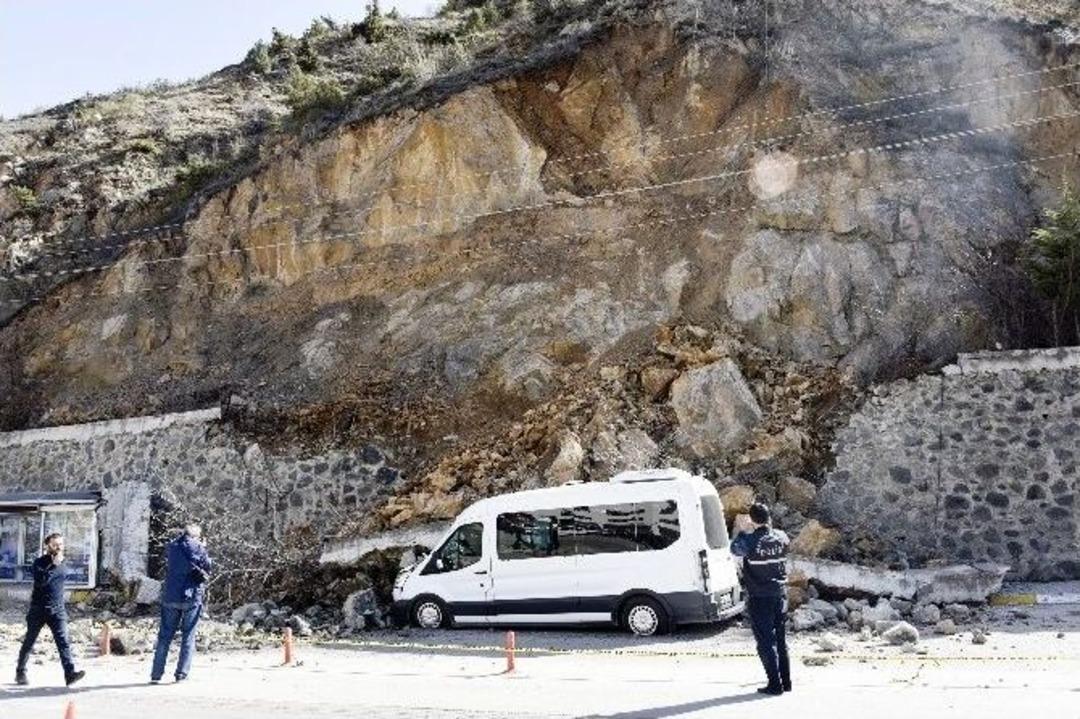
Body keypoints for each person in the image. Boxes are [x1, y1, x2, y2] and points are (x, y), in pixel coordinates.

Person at [730, 502, 791, 696]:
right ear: (769, 518)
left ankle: (775, 685)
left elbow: (734, 549)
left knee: (765, 642)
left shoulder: (749, 540)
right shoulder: (781, 537)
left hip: (760, 598)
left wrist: (743, 531)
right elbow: (784, 543)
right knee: (780, 640)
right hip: (780, 594)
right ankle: (786, 682)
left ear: (751, 519)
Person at [15, 533, 86, 687]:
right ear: (47, 546)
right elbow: (41, 582)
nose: (58, 547)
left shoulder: (64, 563)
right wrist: (53, 565)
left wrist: (58, 564)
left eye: (60, 544)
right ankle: (20, 672)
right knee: (29, 641)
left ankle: (70, 674)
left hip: (57, 609)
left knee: (63, 642)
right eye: (55, 544)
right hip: (38, 609)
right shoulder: (39, 563)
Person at [151, 524, 212, 684]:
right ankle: (181, 674)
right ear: (196, 536)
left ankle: (156, 674)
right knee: (188, 637)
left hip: (171, 596)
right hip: (191, 596)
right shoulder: (198, 548)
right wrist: (203, 548)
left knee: (164, 637)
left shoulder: (172, 547)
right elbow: (208, 567)